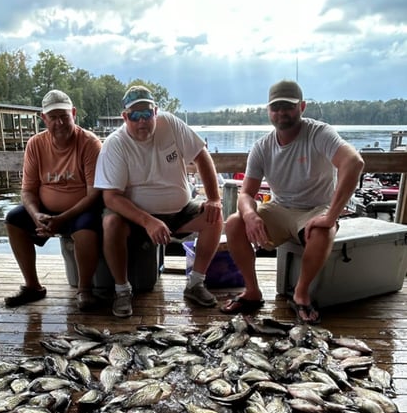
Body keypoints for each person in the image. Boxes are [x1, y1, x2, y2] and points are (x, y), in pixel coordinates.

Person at [221, 79, 365, 324]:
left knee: (322, 230)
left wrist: (331, 216)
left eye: (288, 106)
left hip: (315, 207)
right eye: (275, 107)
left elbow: (354, 162)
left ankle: (301, 294)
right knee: (234, 223)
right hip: (279, 207)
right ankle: (252, 291)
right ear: (268, 110)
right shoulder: (262, 146)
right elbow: (246, 194)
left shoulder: (319, 133)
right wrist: (250, 215)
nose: (281, 113)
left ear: (302, 107)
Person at [94, 85, 224, 317]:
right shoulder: (115, 144)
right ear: (125, 117)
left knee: (214, 217)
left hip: (179, 211)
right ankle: (122, 290)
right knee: (110, 223)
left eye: (147, 113)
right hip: (135, 217)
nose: (142, 121)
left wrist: (214, 198)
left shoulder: (171, 124)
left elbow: (201, 156)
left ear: (156, 112)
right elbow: (111, 197)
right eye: (135, 115)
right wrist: (148, 221)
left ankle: (196, 283)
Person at [4, 89, 102, 310]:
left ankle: (84, 290)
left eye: (64, 116)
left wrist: (63, 218)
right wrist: (36, 215)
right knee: (13, 219)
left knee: (87, 228)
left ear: (73, 113)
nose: (59, 123)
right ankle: (33, 287)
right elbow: (27, 191)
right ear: (43, 118)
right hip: (46, 210)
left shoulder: (89, 143)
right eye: (53, 117)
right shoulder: (35, 144)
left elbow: (94, 194)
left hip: (81, 209)